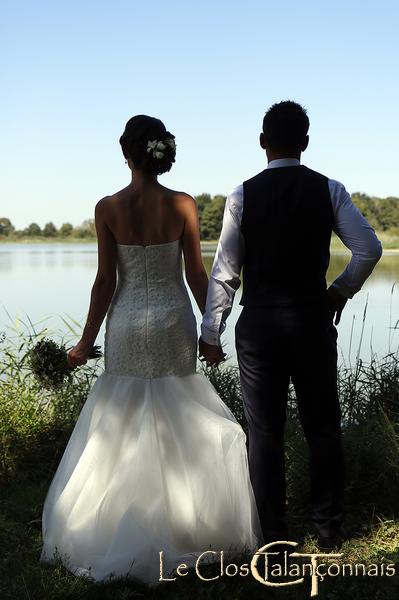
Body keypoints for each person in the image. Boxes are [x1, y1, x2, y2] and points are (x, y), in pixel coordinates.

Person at [39, 115, 263, 585]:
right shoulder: (183, 204)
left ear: (126, 152)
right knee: (176, 412)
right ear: (162, 152)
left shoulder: (107, 207)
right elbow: (197, 277)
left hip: (124, 324)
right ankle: (185, 522)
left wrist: (84, 342)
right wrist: (211, 332)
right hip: (171, 321)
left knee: (121, 417)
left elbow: (104, 282)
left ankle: (113, 528)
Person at [199, 100, 383, 552]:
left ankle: (274, 536)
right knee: (323, 426)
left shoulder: (242, 194)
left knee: (264, 432)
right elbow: (369, 249)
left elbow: (225, 271)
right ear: (305, 142)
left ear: (262, 142)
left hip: (259, 325)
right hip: (311, 323)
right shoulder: (329, 189)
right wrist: (339, 291)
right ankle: (328, 529)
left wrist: (210, 333)